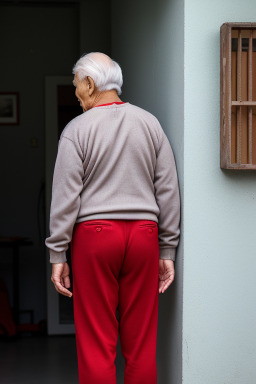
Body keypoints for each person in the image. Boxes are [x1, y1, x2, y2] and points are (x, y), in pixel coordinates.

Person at [45, 52, 181, 384]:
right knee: (142, 345)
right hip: (144, 236)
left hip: (95, 237)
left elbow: (65, 198)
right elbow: (168, 191)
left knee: (96, 342)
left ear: (89, 84)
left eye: (76, 84)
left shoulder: (77, 130)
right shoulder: (149, 123)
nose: (75, 93)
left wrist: (57, 253)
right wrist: (167, 249)